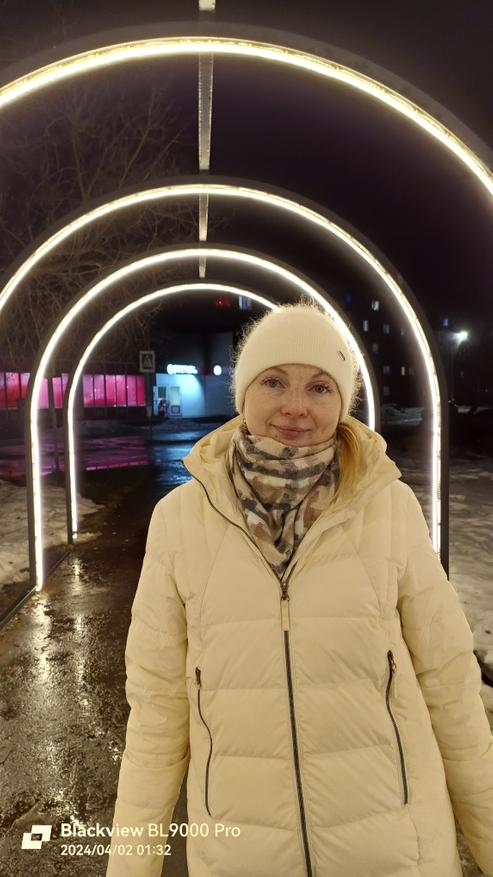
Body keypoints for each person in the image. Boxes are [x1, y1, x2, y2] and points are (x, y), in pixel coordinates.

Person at [106, 302, 493, 877]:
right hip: (241, 855)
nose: (295, 406)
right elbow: (157, 715)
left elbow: (450, 684)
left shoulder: (389, 508)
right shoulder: (180, 521)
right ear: (243, 395)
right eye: (273, 382)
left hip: (398, 851)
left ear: (341, 402)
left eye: (319, 386)